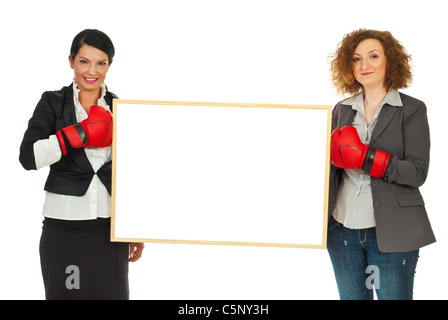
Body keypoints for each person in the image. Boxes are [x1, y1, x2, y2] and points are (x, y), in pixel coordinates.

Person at [19, 29, 144, 300]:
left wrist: (135, 225)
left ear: (110, 65)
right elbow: (28, 157)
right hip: (65, 230)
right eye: (84, 61)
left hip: (109, 232)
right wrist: (79, 134)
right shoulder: (52, 102)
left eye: (101, 63)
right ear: (71, 61)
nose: (92, 71)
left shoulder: (119, 106)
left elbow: (131, 172)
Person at [327, 29, 435, 300]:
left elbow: (417, 172)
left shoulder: (412, 109)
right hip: (342, 230)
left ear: (390, 60)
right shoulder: (341, 109)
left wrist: (366, 157)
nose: (365, 65)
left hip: (392, 230)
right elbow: (328, 172)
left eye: (373, 56)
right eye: (356, 59)